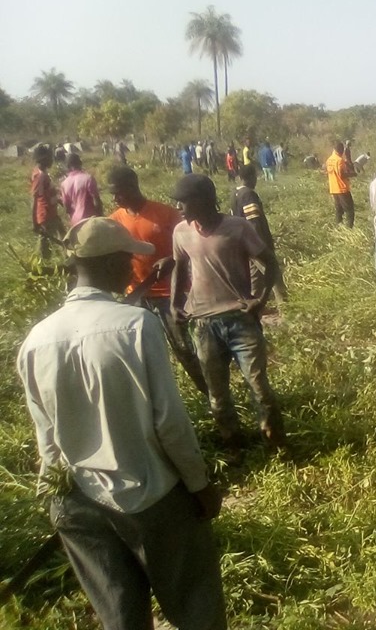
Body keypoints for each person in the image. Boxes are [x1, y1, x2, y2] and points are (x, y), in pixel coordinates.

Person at [17, 217, 226, 630]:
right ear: (111, 262)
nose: (133, 266)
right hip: (148, 493)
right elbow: (169, 422)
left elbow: (48, 438)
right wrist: (199, 485)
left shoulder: (36, 340)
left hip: (77, 502)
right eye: (129, 258)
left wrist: (57, 500)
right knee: (196, 605)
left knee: (121, 618)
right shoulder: (135, 326)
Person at [170, 174, 286, 455]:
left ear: (204, 200)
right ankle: (234, 446)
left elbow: (270, 262)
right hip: (203, 323)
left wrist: (260, 300)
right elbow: (179, 266)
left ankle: (277, 445)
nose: (179, 207)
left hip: (240, 320)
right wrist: (175, 303)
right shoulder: (181, 231)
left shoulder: (237, 227)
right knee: (217, 395)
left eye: (184, 201)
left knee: (259, 389)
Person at [107, 166, 209, 397]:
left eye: (118, 192)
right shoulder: (114, 222)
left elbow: (190, 245)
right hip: (137, 296)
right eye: (112, 194)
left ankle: (212, 395)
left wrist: (172, 258)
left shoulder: (165, 214)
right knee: (142, 354)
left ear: (132, 187)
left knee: (185, 350)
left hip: (170, 294)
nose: (115, 199)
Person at [232, 163, 287, 302]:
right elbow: (254, 222)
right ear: (251, 177)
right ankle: (285, 307)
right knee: (273, 274)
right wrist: (261, 247)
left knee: (256, 278)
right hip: (255, 244)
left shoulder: (235, 194)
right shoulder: (248, 195)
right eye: (255, 177)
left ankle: (252, 305)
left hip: (243, 243)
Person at [30, 144, 65, 259]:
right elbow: (34, 199)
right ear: (43, 159)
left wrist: (58, 199)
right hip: (46, 215)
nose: (52, 160)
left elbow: (46, 194)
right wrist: (34, 222)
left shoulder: (44, 173)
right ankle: (43, 265)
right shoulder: (39, 176)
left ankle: (66, 259)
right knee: (45, 245)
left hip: (51, 213)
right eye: (50, 157)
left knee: (62, 236)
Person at [59, 152, 103, 227]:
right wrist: (100, 216)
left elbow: (67, 207)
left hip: (76, 222)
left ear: (68, 166)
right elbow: (96, 201)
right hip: (91, 219)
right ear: (80, 163)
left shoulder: (64, 184)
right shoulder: (88, 178)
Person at [325, 140, 356, 228]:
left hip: (333, 188)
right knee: (349, 210)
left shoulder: (329, 160)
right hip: (342, 188)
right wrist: (352, 174)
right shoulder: (339, 160)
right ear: (341, 150)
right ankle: (349, 229)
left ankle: (338, 227)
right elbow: (341, 175)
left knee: (339, 209)